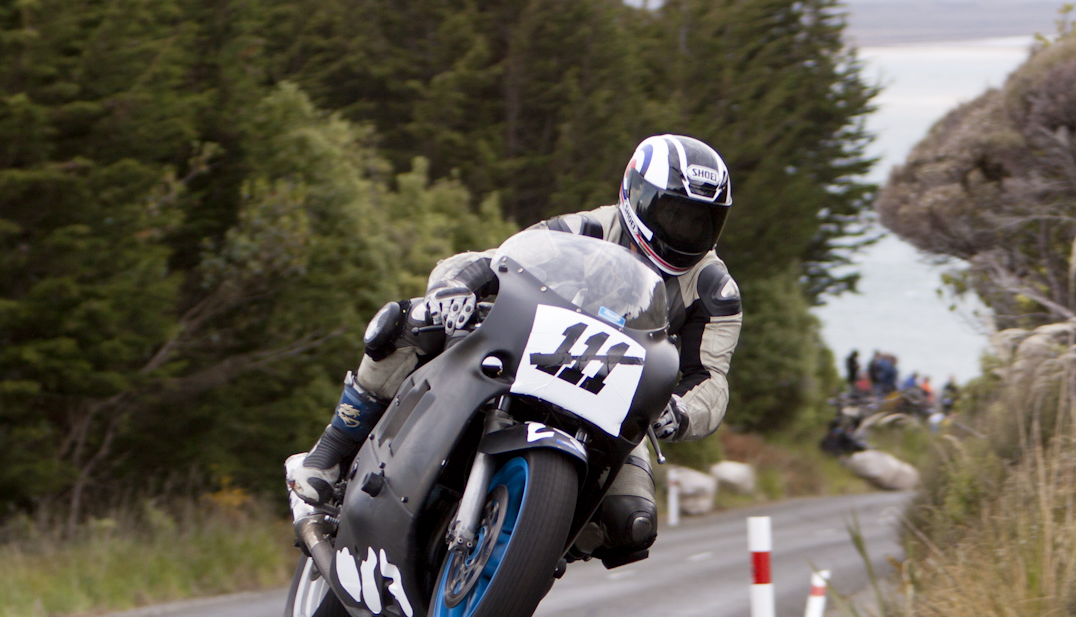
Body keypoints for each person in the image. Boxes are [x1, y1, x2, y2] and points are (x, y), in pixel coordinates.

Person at [286, 134, 741, 568]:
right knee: (410, 322)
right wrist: (456, 285)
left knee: (632, 524)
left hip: (617, 404)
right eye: (675, 215)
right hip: (533, 351)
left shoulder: (715, 291)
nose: (686, 232)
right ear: (638, 195)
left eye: (701, 220)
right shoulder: (590, 228)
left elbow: (711, 378)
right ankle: (329, 453)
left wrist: (680, 411)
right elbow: (505, 258)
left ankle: (526, 556)